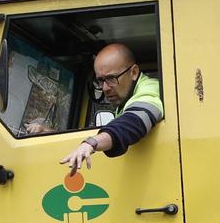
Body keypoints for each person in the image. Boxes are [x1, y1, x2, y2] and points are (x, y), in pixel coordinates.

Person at [59, 41, 164, 172]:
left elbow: (132, 122)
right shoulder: (127, 97)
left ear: (134, 72)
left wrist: (91, 143)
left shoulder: (151, 90)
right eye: (101, 80)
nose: (105, 88)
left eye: (111, 78)